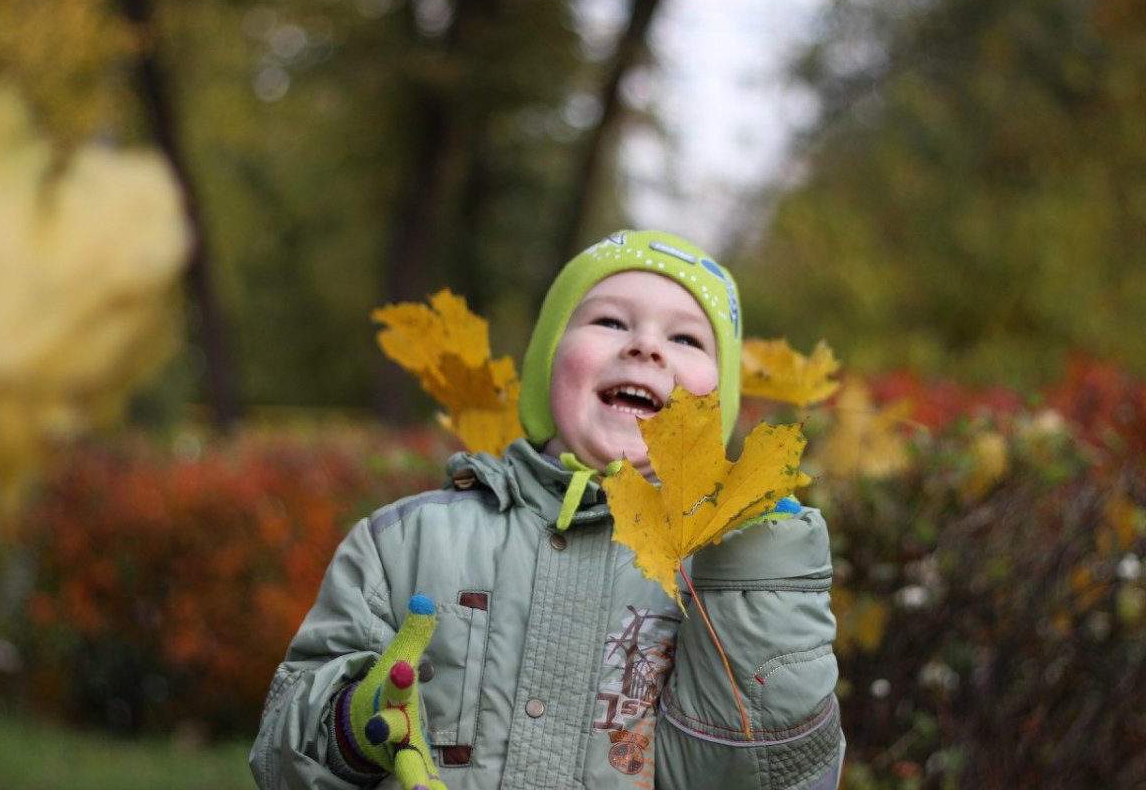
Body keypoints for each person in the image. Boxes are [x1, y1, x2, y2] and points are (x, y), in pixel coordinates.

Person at [249, 230, 844, 789]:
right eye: (610, 320)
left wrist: (762, 589)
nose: (644, 346)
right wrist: (356, 726)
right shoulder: (405, 542)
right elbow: (279, 759)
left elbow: (769, 775)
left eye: (686, 338)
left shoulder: (722, 574)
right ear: (549, 362)